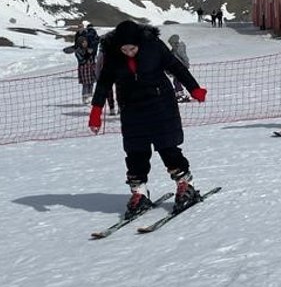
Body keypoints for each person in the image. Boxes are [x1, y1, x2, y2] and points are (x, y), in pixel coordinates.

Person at [88, 20, 207, 216]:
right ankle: (139, 193)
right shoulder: (113, 54)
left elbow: (176, 67)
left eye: (132, 48)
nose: (128, 52)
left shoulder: (153, 45)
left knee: (168, 147)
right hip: (131, 108)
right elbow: (103, 84)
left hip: (161, 105)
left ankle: (186, 185)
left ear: (139, 43)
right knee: (135, 152)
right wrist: (95, 112)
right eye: (124, 49)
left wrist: (194, 88)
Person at [74, 21, 100, 102]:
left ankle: (90, 95)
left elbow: (93, 52)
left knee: (91, 82)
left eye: (85, 42)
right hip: (84, 68)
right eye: (83, 42)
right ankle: (85, 97)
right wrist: (88, 54)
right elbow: (81, 60)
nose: (85, 43)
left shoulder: (89, 44)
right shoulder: (78, 51)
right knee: (86, 83)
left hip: (91, 67)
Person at [167, 34, 192, 101]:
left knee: (177, 81)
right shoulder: (173, 50)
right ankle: (178, 93)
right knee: (176, 81)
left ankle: (180, 94)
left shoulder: (179, 49)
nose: (171, 44)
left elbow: (184, 57)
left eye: (171, 43)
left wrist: (186, 64)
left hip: (180, 68)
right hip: (175, 68)